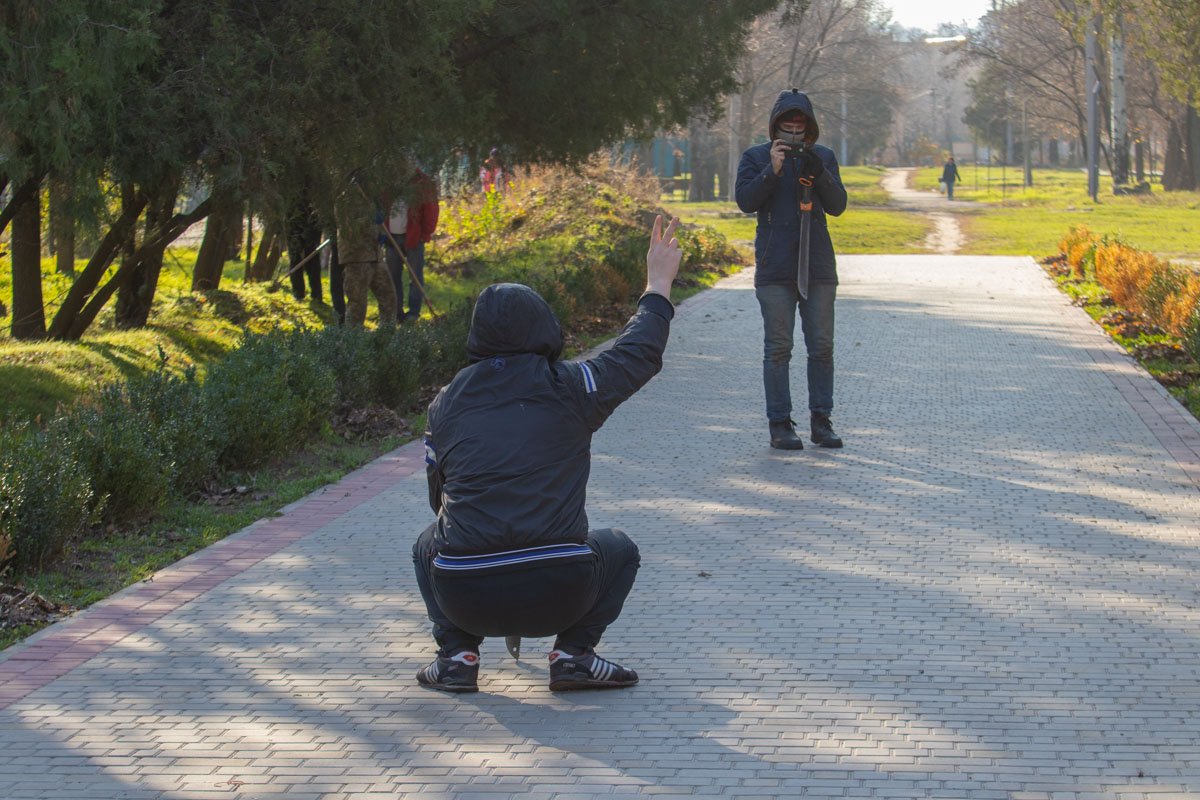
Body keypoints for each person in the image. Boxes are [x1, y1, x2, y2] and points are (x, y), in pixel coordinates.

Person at [412, 215, 683, 693]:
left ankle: (456, 656)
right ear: (545, 327)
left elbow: (439, 499)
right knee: (617, 547)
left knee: (426, 543)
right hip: (561, 589)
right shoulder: (573, 387)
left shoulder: (445, 402)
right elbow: (636, 354)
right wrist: (657, 284)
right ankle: (575, 654)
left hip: (464, 595)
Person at [736, 89, 848, 450]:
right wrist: (774, 169)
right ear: (775, 127)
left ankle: (821, 421)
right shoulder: (755, 157)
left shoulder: (824, 157)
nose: (795, 131)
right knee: (778, 348)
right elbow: (745, 201)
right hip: (775, 267)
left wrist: (820, 175)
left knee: (821, 347)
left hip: (817, 267)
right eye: (788, 125)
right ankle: (780, 424)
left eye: (801, 125)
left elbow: (838, 206)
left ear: (811, 126)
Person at [333, 177, 397, 328]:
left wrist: (381, 233)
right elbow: (347, 229)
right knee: (357, 303)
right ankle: (353, 342)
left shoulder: (372, 198)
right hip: (356, 258)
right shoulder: (345, 200)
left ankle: (386, 336)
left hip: (376, 256)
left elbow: (379, 223)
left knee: (389, 297)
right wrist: (370, 220)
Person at [384, 170, 440, 322]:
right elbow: (382, 205)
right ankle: (396, 313)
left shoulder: (422, 182)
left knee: (415, 276)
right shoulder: (387, 179)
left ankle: (413, 313)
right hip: (391, 237)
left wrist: (425, 234)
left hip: (413, 237)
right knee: (392, 277)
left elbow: (431, 209)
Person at [285, 196, 324, 303]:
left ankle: (316, 294)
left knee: (313, 256)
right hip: (294, 219)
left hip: (312, 217)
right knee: (295, 256)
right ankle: (298, 293)